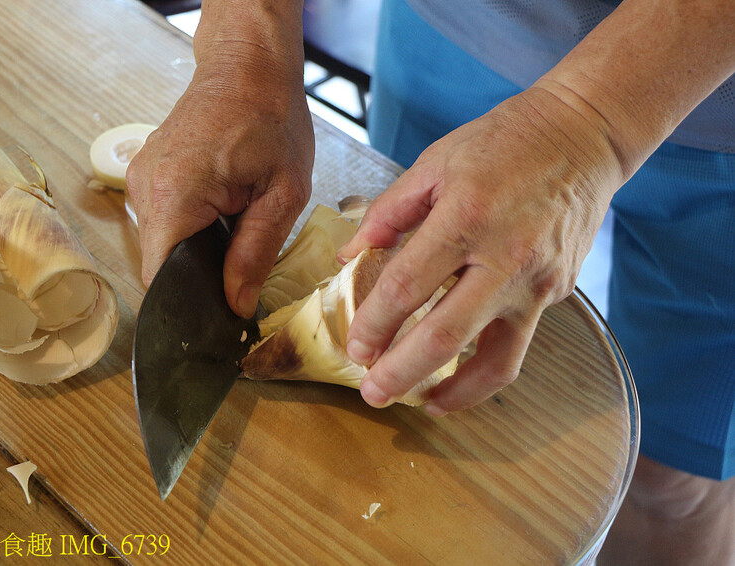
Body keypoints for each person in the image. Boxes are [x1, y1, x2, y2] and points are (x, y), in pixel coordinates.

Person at [126, 0, 735, 562]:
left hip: (713, 98)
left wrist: (589, 119)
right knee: (418, 387)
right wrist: (247, 47)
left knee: (671, 475)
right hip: (452, 34)